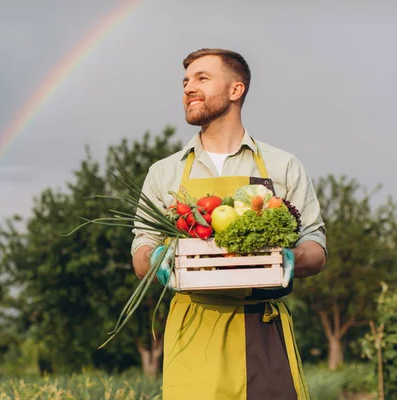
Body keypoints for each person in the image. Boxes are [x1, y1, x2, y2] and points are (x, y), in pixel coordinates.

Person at [130, 48, 327, 399]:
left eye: (202, 79)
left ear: (236, 90)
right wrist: (157, 260)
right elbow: (141, 249)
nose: (189, 88)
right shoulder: (164, 172)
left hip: (262, 328)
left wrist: (292, 259)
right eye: (186, 81)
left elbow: (316, 245)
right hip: (193, 330)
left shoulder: (283, 166)